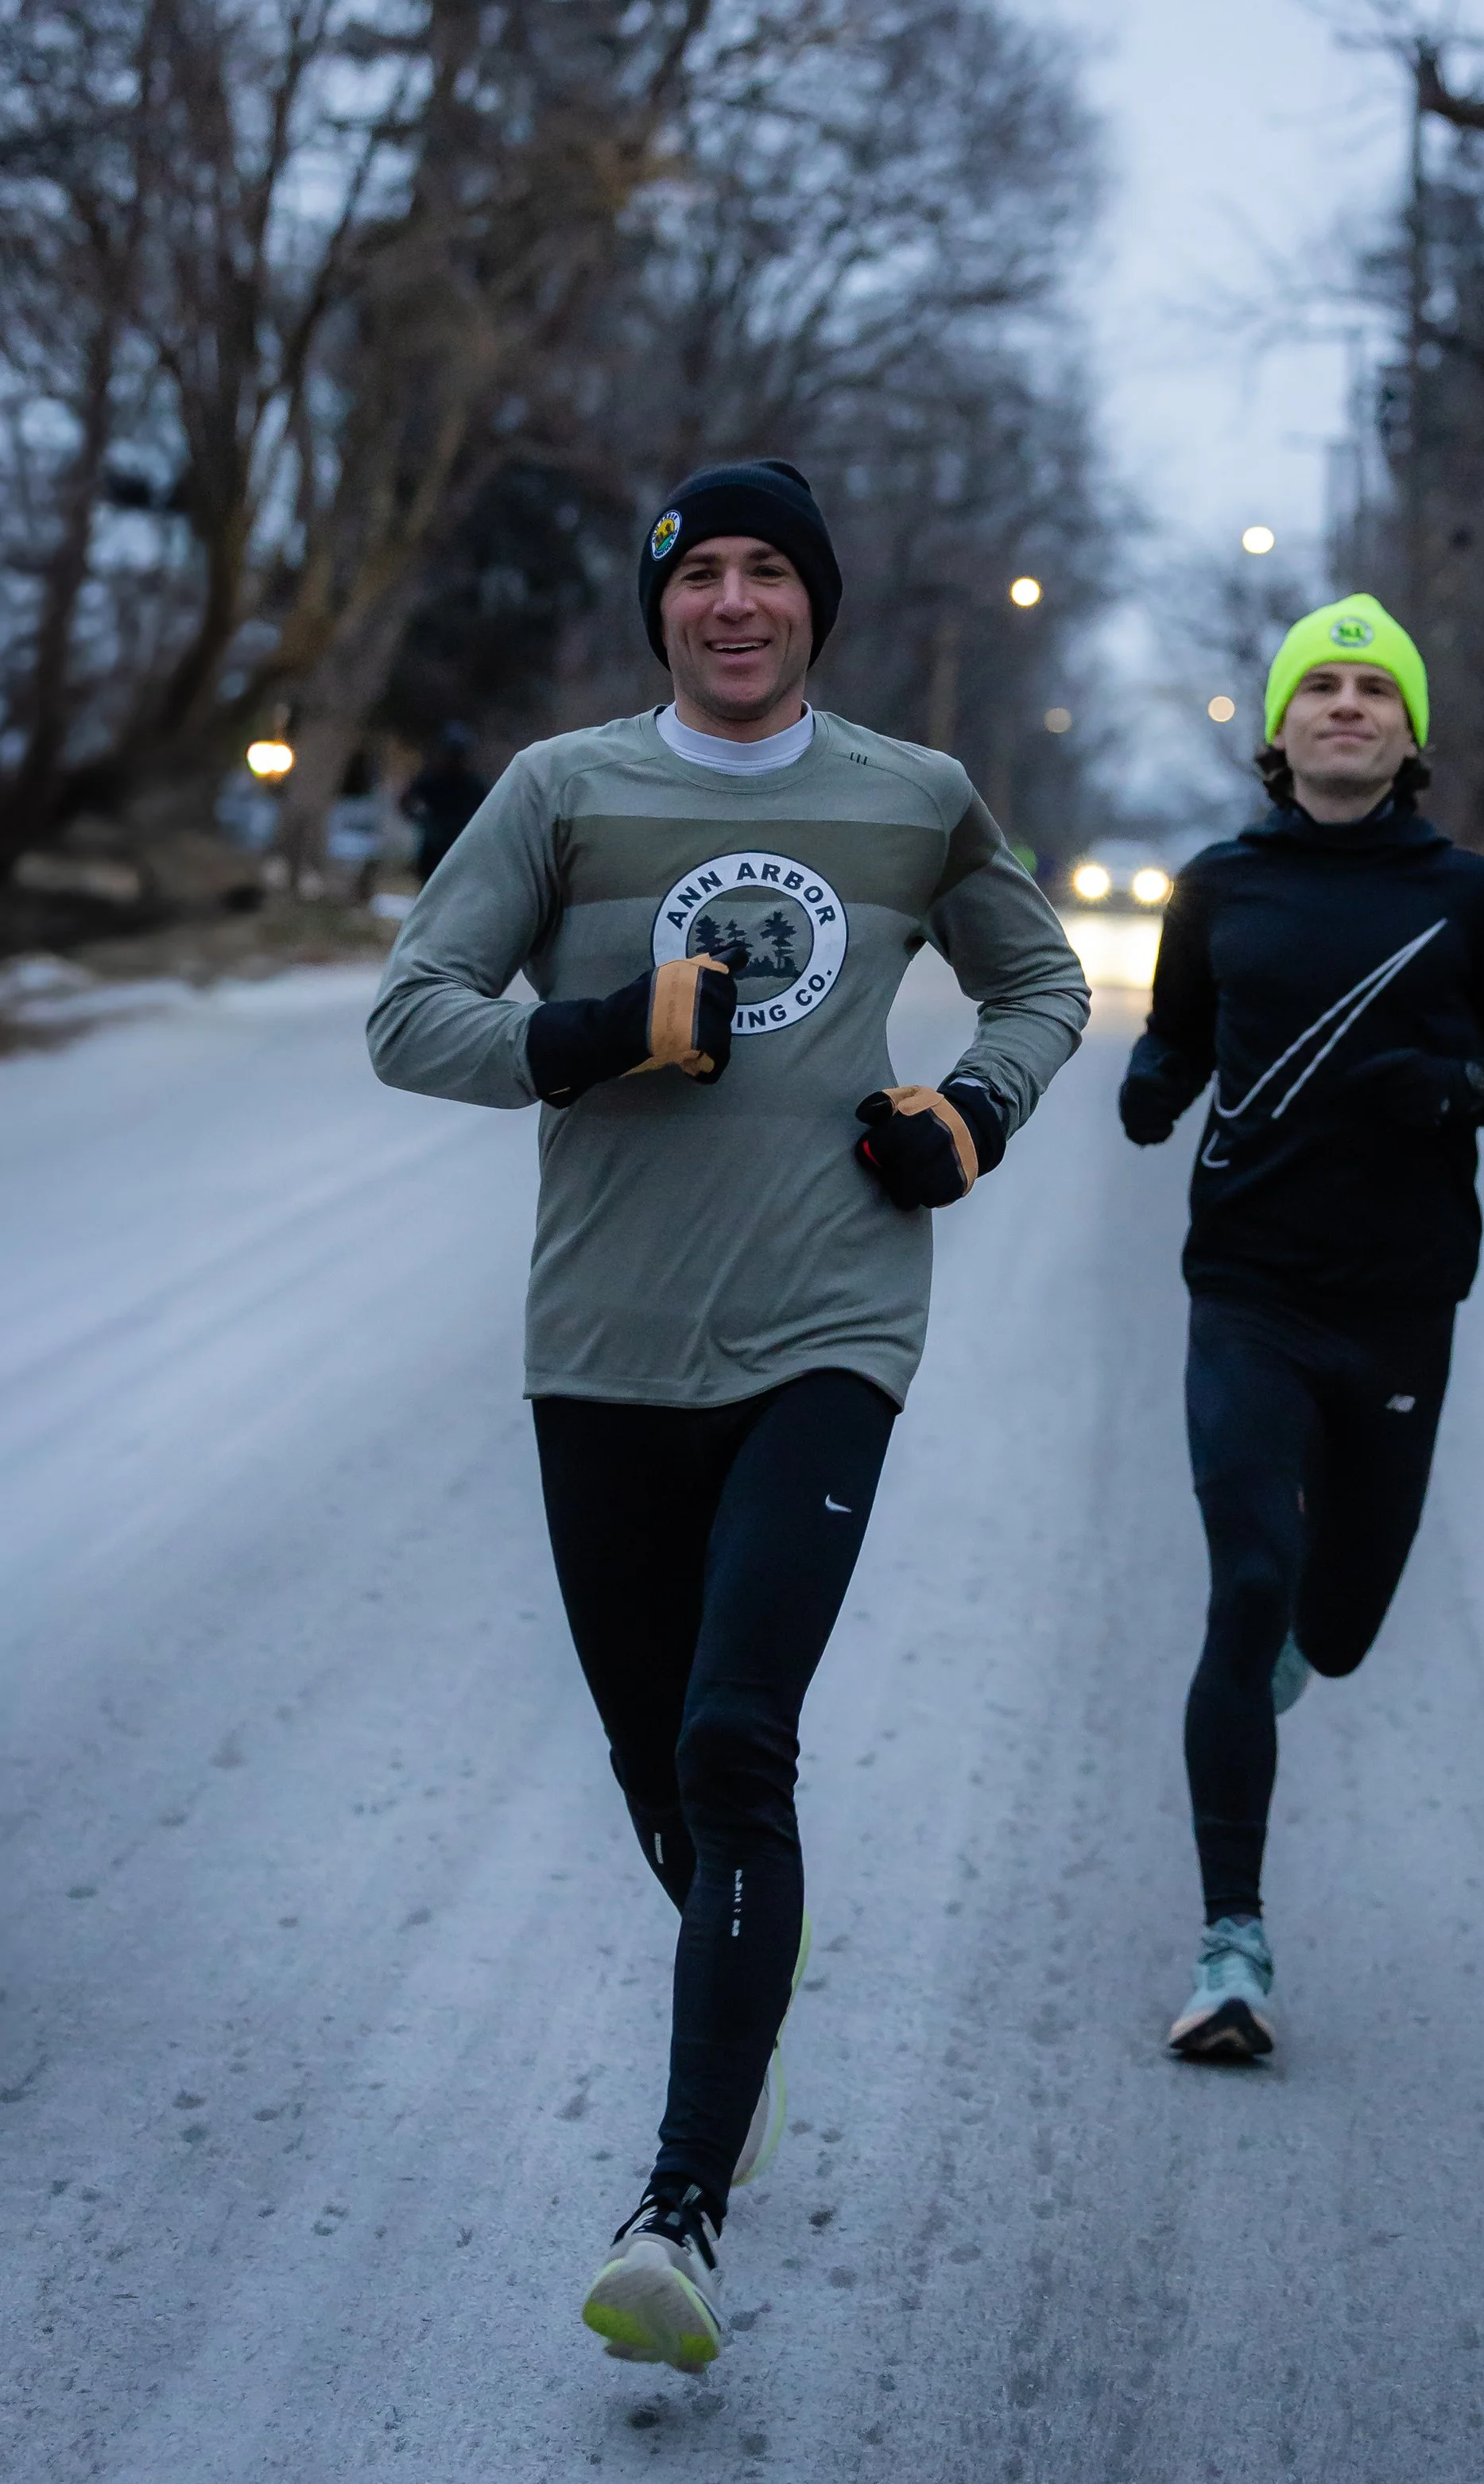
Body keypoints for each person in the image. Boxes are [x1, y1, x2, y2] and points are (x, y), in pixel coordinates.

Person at [367, 459, 1088, 2367]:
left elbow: (1040, 986)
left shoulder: (916, 797)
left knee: (731, 1739)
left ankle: (678, 2210)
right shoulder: (564, 792)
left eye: (775, 573)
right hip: (601, 1340)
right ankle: (738, 1998)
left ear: (816, 606)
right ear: (664, 607)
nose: (739, 603)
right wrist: (595, 1030)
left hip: (826, 1328)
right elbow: (410, 1011)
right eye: (706, 576)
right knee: (651, 1771)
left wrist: (972, 1115)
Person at [1118, 595, 1484, 2063]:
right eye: (1317, 688)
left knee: (1339, 1626)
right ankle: (1232, 1947)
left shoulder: (1475, 899)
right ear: (1276, 729)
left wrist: (1455, 1092)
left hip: (1398, 1307)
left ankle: (1303, 1642)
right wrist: (1153, 1081)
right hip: (1246, 1290)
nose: (1343, 707)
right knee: (1248, 1585)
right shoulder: (1220, 887)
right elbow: (1182, 1030)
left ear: (1410, 734)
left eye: (1372, 690)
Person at [399, 723, 490, 880]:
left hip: (461, 847)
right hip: (433, 849)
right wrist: (423, 821)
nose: (455, 759)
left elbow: (489, 812)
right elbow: (405, 801)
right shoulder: (431, 779)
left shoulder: (474, 784)